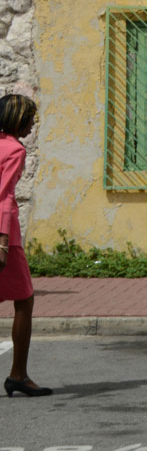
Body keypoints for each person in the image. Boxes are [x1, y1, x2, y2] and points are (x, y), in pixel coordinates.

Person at [0, 93, 51, 397]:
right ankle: (18, 373)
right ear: (18, 119)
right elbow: (4, 195)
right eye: (30, 118)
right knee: (25, 300)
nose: (33, 124)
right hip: (5, 234)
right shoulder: (15, 150)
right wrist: (3, 241)